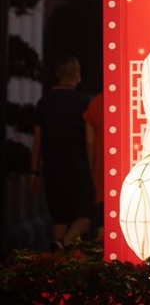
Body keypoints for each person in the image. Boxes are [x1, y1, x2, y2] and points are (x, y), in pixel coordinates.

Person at [30, 56, 95, 250]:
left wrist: (33, 171)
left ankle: (57, 267)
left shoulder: (44, 102)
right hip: (78, 168)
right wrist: (93, 168)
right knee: (86, 216)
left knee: (60, 219)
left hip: (51, 169)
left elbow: (37, 140)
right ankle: (62, 244)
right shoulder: (84, 102)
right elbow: (89, 140)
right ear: (77, 75)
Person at [84, 92, 105, 240]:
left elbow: (89, 141)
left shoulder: (96, 102)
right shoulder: (131, 98)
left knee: (104, 213)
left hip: (102, 165)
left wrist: (90, 166)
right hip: (130, 165)